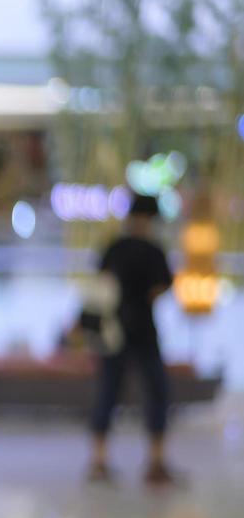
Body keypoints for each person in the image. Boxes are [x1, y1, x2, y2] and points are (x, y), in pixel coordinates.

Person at [87, 193, 176, 485]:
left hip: (114, 331)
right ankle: (156, 462)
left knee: (108, 393)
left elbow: (101, 284)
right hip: (143, 330)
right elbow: (162, 287)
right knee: (156, 393)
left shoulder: (115, 247)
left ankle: (99, 461)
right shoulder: (153, 250)